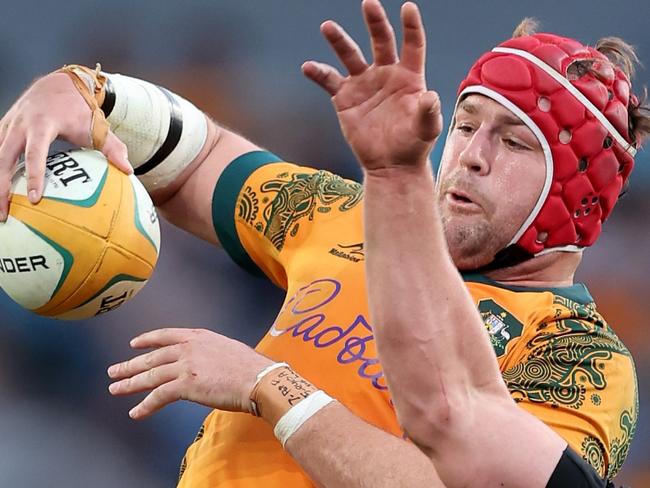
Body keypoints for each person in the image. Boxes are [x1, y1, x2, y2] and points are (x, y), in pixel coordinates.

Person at [0, 0, 646, 486]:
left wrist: (269, 386)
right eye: (467, 123)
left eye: (511, 141)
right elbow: (198, 157)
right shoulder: (351, 215)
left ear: (580, 195)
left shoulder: (580, 357)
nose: (470, 157)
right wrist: (84, 92)